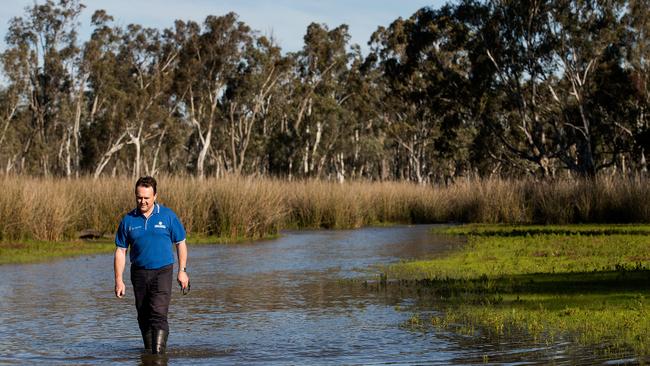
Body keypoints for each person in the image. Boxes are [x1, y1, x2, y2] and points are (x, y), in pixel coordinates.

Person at [114, 176, 189, 354]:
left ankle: (158, 356)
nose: (142, 201)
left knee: (158, 313)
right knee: (143, 315)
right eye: (139, 197)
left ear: (155, 196)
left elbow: (181, 243)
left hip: (163, 271)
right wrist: (119, 280)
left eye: (146, 198)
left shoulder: (168, 216)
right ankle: (150, 353)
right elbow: (120, 251)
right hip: (139, 273)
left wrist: (182, 271)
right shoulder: (128, 220)